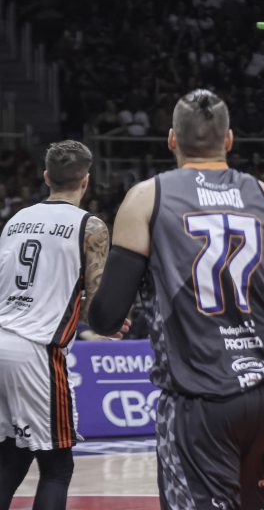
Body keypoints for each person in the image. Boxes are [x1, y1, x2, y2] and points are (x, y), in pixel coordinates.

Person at [88, 89, 264, 509]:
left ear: (171, 139)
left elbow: (107, 316)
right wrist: (249, 319)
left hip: (199, 397)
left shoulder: (147, 197)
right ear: (229, 140)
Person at [0, 141, 128, 510]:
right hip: (36, 352)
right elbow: (96, 302)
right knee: (58, 467)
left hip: (3, 339)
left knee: (12, 456)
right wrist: (110, 322)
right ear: (86, 181)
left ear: (46, 177)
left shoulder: (15, 221)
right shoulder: (91, 226)